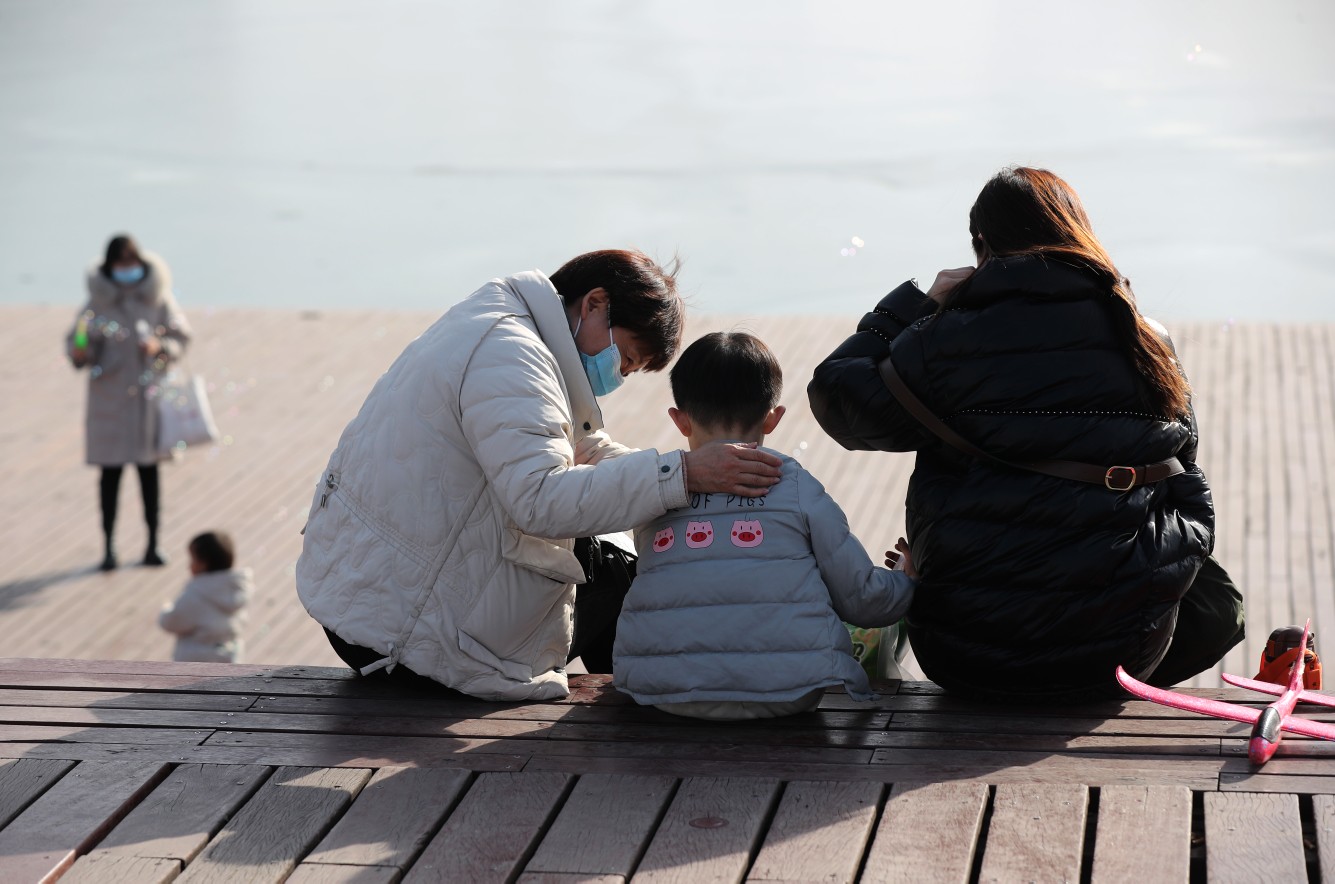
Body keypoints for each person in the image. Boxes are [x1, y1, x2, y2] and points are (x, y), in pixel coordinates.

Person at [808, 166, 1245, 704]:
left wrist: (914, 308)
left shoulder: (943, 340)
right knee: (1217, 596)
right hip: (1122, 654)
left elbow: (838, 401)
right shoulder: (1145, 337)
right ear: (1078, 233)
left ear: (982, 245)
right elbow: (1184, 471)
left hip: (964, 652)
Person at [296, 250, 784, 701]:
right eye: (628, 358)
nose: (620, 374)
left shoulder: (501, 322)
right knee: (626, 570)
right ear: (595, 304)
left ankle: (655, 700)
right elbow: (541, 500)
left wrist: (679, 476)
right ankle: (666, 711)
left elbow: (573, 445)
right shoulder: (512, 356)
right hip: (402, 633)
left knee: (619, 538)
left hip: (368, 602)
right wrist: (681, 474)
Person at [613, 332, 917, 719]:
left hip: (664, 692)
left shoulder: (657, 487)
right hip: (787, 694)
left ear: (680, 420)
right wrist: (905, 580)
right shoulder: (795, 487)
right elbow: (861, 597)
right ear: (773, 418)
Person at [67, 235, 191, 571]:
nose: (125, 269)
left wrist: (160, 347)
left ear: (140, 263)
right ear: (109, 267)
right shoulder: (96, 304)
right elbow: (79, 344)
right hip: (109, 405)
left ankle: (153, 544)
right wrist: (80, 351)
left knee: (149, 476)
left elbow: (180, 336)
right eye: (119, 264)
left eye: (130, 262)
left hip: (148, 404)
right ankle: (109, 547)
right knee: (110, 479)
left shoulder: (158, 298)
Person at [159, 531, 253, 663]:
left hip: (195, 660)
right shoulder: (236, 587)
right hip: (229, 655)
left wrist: (166, 609)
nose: (188, 565)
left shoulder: (195, 594)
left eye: (192, 559)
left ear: (203, 564)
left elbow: (170, 623)